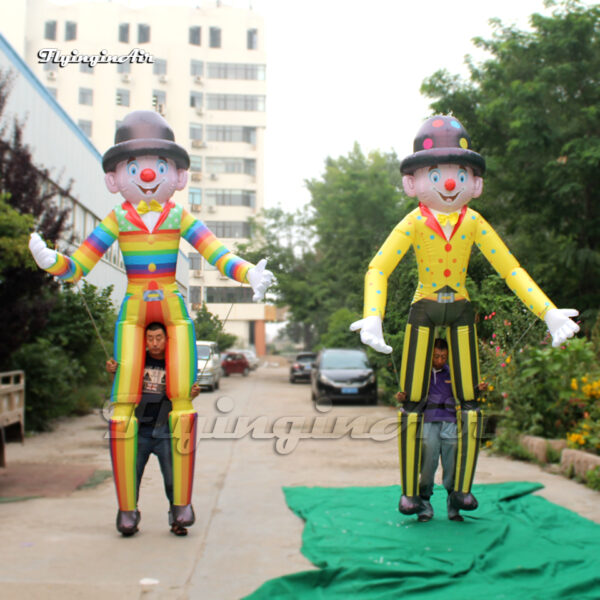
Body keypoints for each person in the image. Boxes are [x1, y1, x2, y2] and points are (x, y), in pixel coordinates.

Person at [29, 110, 274, 535]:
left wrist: (248, 272)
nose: (146, 173)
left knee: (182, 404)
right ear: (114, 178)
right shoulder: (117, 220)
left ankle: (181, 504)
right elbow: (81, 264)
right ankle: (127, 509)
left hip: (174, 308)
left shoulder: (180, 218)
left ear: (176, 176)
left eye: (159, 166)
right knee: (123, 406)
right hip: (136, 303)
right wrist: (53, 263)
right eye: (134, 165)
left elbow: (217, 253)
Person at [351, 115, 579, 516]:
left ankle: (460, 490)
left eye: (459, 174)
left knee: (470, 400)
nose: (450, 183)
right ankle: (411, 491)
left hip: (460, 310)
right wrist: (374, 314)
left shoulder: (473, 222)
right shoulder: (414, 223)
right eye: (436, 174)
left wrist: (548, 312)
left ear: (475, 183)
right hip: (422, 309)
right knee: (411, 401)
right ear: (412, 183)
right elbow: (378, 268)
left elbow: (510, 268)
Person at [106, 322, 201, 536]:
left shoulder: (175, 362)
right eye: (150, 338)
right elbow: (121, 385)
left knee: (172, 478)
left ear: (167, 339)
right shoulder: (137, 361)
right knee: (132, 476)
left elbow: (185, 392)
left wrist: (191, 393)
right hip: (140, 430)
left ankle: (177, 518)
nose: (155, 342)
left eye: (159, 337)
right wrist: (113, 372)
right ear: (145, 340)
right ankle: (129, 515)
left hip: (165, 431)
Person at [396, 338, 487, 522]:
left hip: (450, 422)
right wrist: (401, 397)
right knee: (428, 462)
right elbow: (409, 396)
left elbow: (466, 394)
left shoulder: (453, 374)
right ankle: (424, 503)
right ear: (430, 356)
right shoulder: (421, 375)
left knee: (452, 462)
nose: (439, 360)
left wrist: (478, 390)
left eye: (443, 357)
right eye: (436, 356)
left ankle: (453, 503)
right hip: (429, 421)